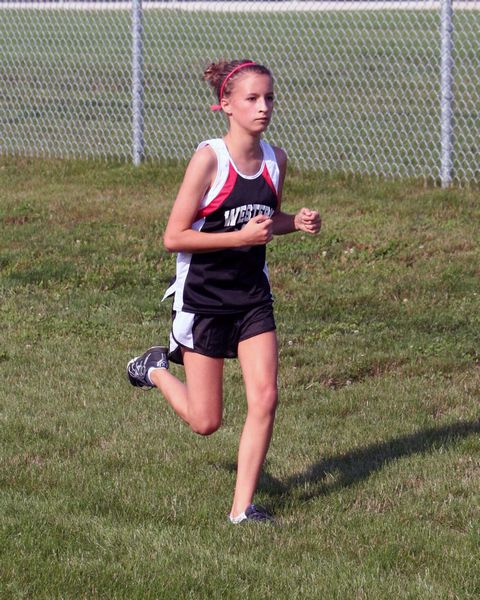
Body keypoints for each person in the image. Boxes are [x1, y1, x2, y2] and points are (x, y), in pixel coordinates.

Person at [127, 59, 321, 524]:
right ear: (227, 105)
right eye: (252, 98)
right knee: (205, 421)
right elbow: (173, 237)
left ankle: (242, 509)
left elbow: (263, 220)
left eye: (269, 97)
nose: (264, 107)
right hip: (204, 300)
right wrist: (238, 238)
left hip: (252, 297)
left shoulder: (276, 160)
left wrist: (294, 222)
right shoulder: (209, 160)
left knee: (266, 397)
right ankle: (154, 368)